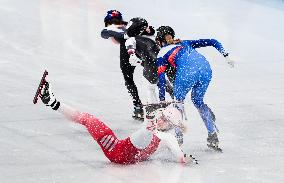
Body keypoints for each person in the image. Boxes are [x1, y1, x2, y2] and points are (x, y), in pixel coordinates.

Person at [35, 77, 197, 165]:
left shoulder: (168, 138)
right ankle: (52, 102)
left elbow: (178, 155)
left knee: (149, 131)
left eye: (165, 120)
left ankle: (147, 117)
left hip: (123, 153)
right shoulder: (161, 133)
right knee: (87, 118)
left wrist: (186, 158)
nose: (161, 121)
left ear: (171, 126)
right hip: (117, 148)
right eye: (161, 117)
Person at [155, 26, 234, 150]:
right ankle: (212, 135)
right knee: (198, 101)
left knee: (178, 104)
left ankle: (178, 140)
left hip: (187, 72)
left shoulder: (162, 52)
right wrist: (226, 55)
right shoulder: (184, 42)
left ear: (159, 41)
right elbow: (213, 41)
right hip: (205, 69)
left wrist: (161, 100)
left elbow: (161, 79)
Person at [101, 10, 143, 120]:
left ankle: (137, 105)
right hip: (141, 48)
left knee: (128, 79)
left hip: (127, 52)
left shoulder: (111, 27)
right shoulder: (127, 25)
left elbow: (103, 33)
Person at [124, 17, 176, 105]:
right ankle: (176, 99)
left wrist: (132, 55)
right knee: (164, 82)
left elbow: (130, 47)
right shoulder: (152, 38)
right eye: (146, 27)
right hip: (164, 62)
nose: (148, 29)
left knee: (150, 88)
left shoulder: (132, 39)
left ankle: (153, 109)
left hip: (151, 65)